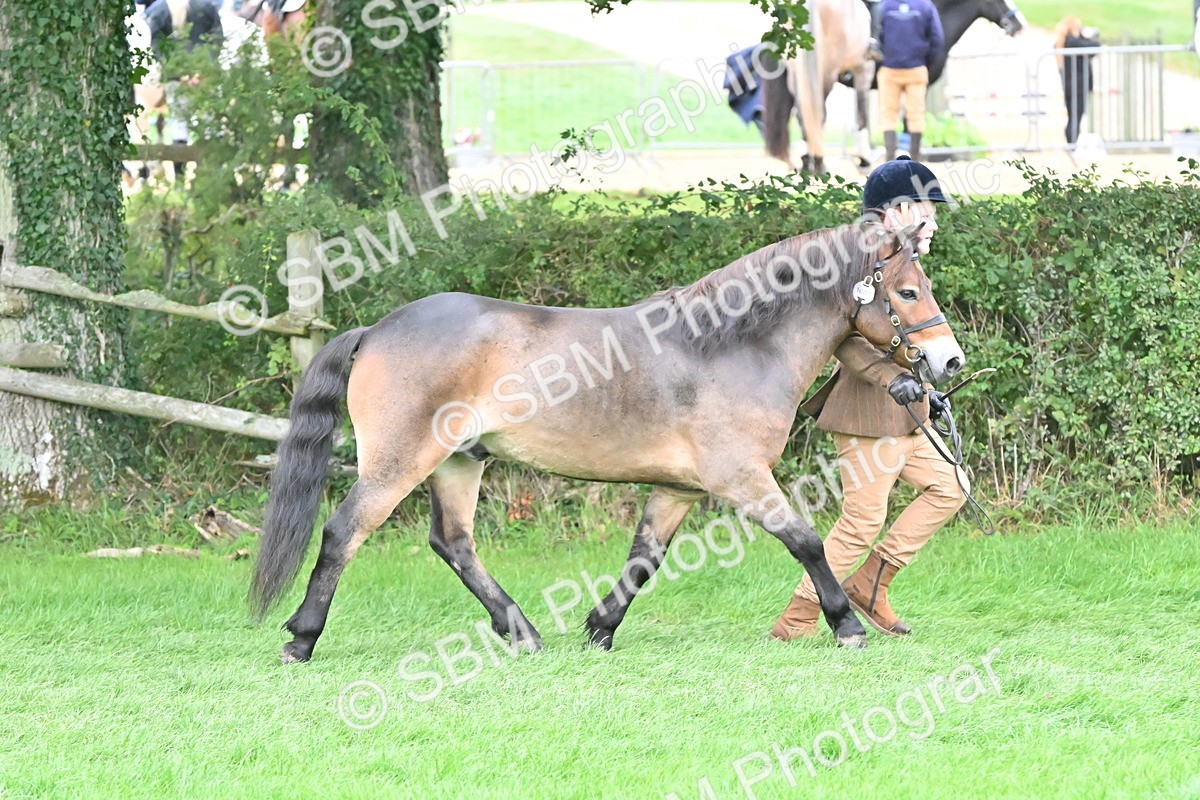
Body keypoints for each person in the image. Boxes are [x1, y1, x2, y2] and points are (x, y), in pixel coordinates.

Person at [770, 157, 968, 642]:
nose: (936, 223)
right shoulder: (853, 262)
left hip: (906, 410)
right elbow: (844, 340)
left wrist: (926, 389)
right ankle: (797, 618)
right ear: (897, 211)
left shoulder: (899, 262)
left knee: (952, 486)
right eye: (928, 210)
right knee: (862, 521)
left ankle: (871, 583)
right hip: (866, 411)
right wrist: (891, 378)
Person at [875, 0, 944, 161]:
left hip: (889, 69)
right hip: (916, 69)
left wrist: (881, 60)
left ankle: (890, 159)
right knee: (916, 115)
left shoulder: (884, 6)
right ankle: (915, 159)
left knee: (888, 115)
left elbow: (875, 37)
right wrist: (926, 61)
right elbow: (938, 39)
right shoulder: (926, 6)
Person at [1054, 17, 1099, 145]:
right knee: (1076, 116)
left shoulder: (1062, 42)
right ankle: (1072, 144)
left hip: (1069, 85)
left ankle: (1071, 143)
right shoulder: (1074, 42)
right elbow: (1095, 47)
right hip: (1079, 85)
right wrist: (1086, 36)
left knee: (1072, 115)